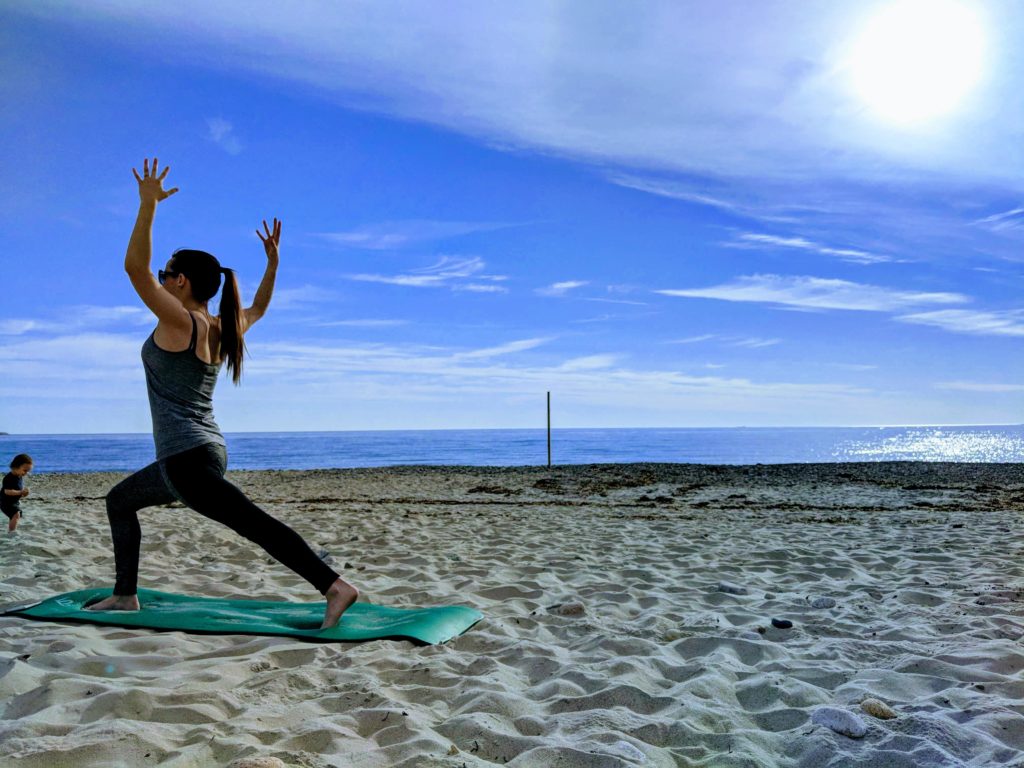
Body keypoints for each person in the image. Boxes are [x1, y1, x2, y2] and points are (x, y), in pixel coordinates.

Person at [88, 157, 358, 629]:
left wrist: (147, 205)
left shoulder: (182, 322)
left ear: (181, 281)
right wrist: (273, 265)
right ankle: (124, 595)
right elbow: (259, 307)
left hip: (188, 459)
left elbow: (134, 268)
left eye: (168, 273)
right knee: (120, 500)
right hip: (197, 454)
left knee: (253, 524)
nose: (162, 278)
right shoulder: (223, 325)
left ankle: (334, 586)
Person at [3, 453, 33, 534]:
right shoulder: (9, 478)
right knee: (16, 514)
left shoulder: (19, 476)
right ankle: (12, 532)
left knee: (14, 516)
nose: (26, 473)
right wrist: (20, 492)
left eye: (28, 471)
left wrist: (24, 493)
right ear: (16, 466)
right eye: (25, 470)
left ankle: (11, 530)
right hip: (5, 502)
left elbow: (18, 490)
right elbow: (7, 491)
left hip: (14, 502)